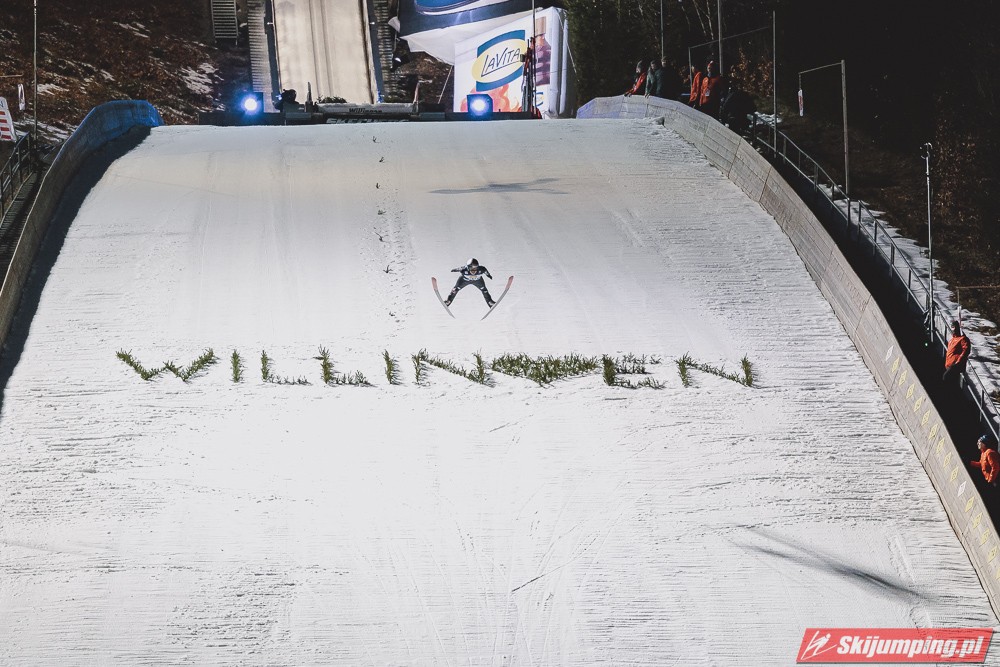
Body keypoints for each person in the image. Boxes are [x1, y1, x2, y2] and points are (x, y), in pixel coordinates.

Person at [943, 320, 971, 385]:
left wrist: (958, 361)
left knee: (945, 377)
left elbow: (966, 350)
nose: (954, 329)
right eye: (952, 327)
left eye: (955, 327)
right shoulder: (951, 340)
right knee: (950, 384)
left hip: (955, 365)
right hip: (949, 365)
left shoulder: (963, 339)